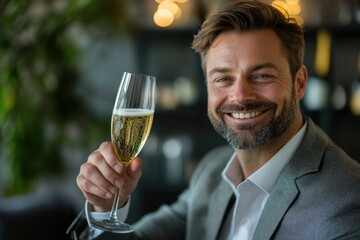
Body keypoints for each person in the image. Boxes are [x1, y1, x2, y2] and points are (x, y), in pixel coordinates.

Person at [69, 1, 360, 239]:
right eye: (223, 78)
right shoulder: (211, 172)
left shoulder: (347, 200)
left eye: (261, 76)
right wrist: (105, 207)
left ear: (299, 83)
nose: (240, 96)